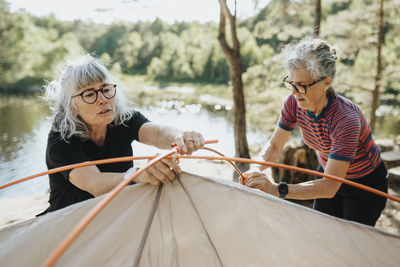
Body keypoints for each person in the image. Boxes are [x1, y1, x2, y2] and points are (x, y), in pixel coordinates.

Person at [244, 37, 388, 226]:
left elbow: (329, 187)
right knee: (322, 233)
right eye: (291, 83)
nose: (295, 92)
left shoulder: (346, 120)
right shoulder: (294, 103)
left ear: (326, 82)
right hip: (329, 172)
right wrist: (256, 168)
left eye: (302, 85)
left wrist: (276, 189)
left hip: (363, 184)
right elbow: (274, 146)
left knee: (350, 246)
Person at [41, 54, 205, 214]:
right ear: (71, 105)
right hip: (67, 223)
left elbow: (158, 133)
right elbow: (95, 184)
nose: (103, 99)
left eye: (106, 89)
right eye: (90, 94)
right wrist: (137, 175)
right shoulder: (61, 140)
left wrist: (179, 137)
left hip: (115, 217)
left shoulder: (123, 120)